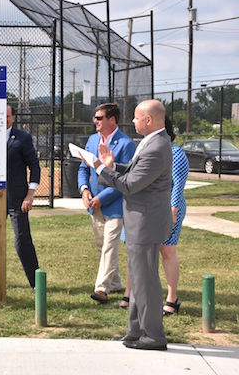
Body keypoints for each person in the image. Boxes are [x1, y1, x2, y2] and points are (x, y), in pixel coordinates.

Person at [95, 99, 172, 351]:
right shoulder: (153, 142)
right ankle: (136, 332)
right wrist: (112, 166)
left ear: (148, 120)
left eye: (137, 118)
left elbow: (130, 185)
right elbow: (132, 172)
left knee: (146, 282)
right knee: (140, 280)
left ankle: (153, 336)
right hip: (142, 221)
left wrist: (100, 170)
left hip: (145, 222)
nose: (134, 122)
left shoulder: (157, 146)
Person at [120, 116, 189, 316]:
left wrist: (173, 209)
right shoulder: (142, 148)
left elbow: (178, 185)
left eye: (138, 118)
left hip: (166, 209)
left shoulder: (175, 153)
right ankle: (130, 293)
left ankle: (172, 298)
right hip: (144, 209)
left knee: (167, 251)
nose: (134, 122)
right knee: (136, 251)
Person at [0, 105, 40, 289]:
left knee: (22, 239)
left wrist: (30, 194)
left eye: (6, 116)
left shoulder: (22, 138)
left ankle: (36, 282)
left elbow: (34, 166)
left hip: (18, 199)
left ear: (12, 118)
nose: (3, 119)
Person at [78, 103, 135, 304]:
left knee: (110, 245)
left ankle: (101, 289)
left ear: (112, 120)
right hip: (93, 205)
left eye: (100, 118)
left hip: (116, 205)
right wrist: (84, 189)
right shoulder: (92, 140)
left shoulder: (126, 144)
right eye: (95, 118)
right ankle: (116, 283)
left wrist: (101, 199)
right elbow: (83, 169)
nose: (96, 121)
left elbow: (125, 179)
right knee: (102, 246)